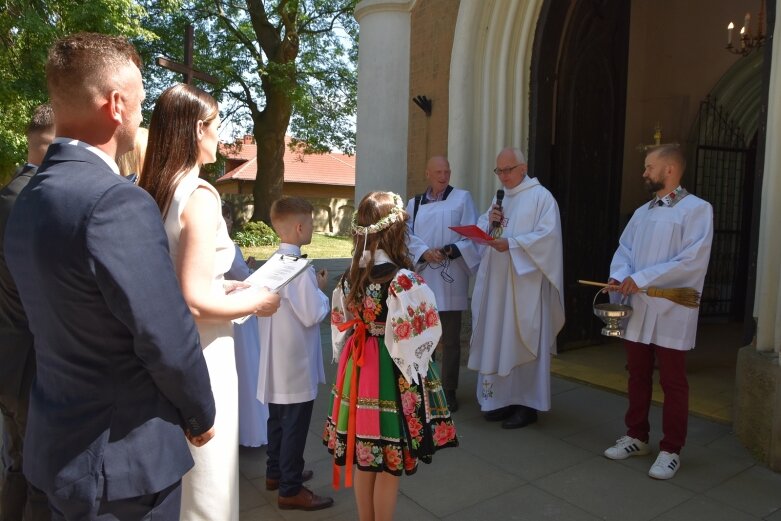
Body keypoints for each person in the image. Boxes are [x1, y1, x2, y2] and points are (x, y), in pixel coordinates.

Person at [4, 33, 217, 520]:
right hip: (119, 462)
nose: (141, 115)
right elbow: (164, 333)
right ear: (117, 105)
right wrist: (200, 410)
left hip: (54, 445)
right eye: (140, 103)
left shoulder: (26, 198)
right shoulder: (115, 201)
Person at [139, 83, 281, 521]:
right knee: (209, 485)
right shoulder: (198, 195)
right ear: (197, 129)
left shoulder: (155, 189)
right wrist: (255, 300)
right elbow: (195, 300)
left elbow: (182, 280)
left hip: (165, 351)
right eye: (217, 126)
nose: (221, 136)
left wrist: (227, 287)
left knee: (181, 482)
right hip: (203, 353)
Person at [324, 191, 458, 521]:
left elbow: (340, 324)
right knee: (389, 464)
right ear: (397, 232)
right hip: (389, 370)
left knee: (366, 457)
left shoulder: (349, 276)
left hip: (359, 368)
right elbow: (424, 335)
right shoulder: (403, 280)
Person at [603, 144, 713, 480]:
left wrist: (642, 278)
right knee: (636, 373)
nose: (644, 173)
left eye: (649, 166)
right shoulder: (643, 212)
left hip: (670, 308)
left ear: (669, 170)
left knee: (673, 380)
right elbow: (625, 249)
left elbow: (692, 260)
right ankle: (637, 435)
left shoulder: (697, 209)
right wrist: (619, 275)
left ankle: (671, 449)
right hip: (638, 306)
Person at [468, 147, 565, 429]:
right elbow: (485, 228)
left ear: (523, 168)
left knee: (520, 339)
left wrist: (510, 244)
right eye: (498, 170)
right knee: (498, 339)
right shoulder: (499, 199)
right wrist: (489, 224)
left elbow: (547, 239)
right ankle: (499, 400)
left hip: (524, 288)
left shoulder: (541, 198)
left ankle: (526, 405)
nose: (502, 176)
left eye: (507, 170)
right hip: (497, 285)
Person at [257, 196, 333, 511]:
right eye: (312, 223)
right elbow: (312, 313)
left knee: (277, 419)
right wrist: (321, 290)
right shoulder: (299, 269)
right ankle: (290, 488)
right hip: (294, 362)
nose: (313, 228)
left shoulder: (273, 262)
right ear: (300, 227)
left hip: (275, 360)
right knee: (295, 424)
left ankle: (277, 471)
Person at [0, 103, 54, 521]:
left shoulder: (10, 191)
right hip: (29, 363)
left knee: (19, 464)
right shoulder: (33, 200)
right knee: (40, 473)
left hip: (9, 355)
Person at [406, 156, 480, 412]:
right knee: (423, 336)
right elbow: (407, 236)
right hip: (424, 277)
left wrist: (452, 249)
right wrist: (424, 252)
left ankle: (448, 390)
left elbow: (472, 233)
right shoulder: (414, 204)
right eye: (438, 171)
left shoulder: (462, 198)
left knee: (450, 339)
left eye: (447, 171)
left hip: (450, 278)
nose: (443, 176)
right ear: (427, 173)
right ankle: (425, 386)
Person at [222, 204, 270, 449]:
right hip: (238, 312)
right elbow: (243, 276)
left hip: (223, 310)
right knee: (248, 367)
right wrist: (251, 269)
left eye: (230, 218)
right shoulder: (227, 246)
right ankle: (252, 431)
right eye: (226, 219)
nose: (229, 223)